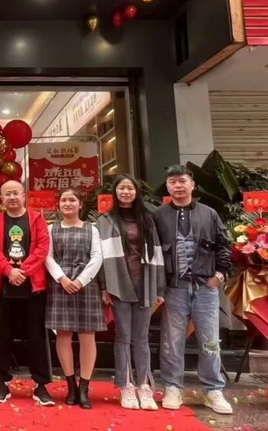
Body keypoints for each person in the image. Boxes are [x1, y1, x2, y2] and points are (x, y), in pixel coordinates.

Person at [153, 165, 233, 415]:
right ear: (167, 187)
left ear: (192, 185)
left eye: (182, 181)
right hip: (174, 287)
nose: (177, 186)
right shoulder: (158, 215)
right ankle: (172, 387)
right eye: (172, 182)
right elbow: (152, 252)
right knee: (172, 340)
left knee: (210, 340)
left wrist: (219, 275)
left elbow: (224, 245)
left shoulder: (209, 213)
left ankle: (213, 390)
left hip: (205, 287)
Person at [97, 175, 166, 410]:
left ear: (136, 192)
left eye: (130, 188)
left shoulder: (147, 219)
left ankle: (145, 385)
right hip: (118, 284)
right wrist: (104, 287)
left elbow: (157, 253)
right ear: (115, 192)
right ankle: (125, 385)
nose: (125, 192)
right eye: (121, 188)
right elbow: (101, 258)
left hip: (144, 283)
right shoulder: (106, 220)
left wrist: (159, 287)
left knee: (141, 337)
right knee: (123, 337)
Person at [0, 180, 54, 406]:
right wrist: (9, 271)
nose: (12, 197)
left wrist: (23, 271)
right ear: (2, 198)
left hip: (33, 288)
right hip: (4, 288)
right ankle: (1, 383)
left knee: (36, 336)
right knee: (2, 336)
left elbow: (43, 247)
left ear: (24, 196)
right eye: (7, 194)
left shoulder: (36, 219)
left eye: (16, 193)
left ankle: (41, 385)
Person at [45, 188, 104, 409]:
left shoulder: (92, 229)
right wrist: (62, 278)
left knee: (87, 335)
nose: (67, 203)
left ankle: (84, 387)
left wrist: (80, 281)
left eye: (72, 200)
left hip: (85, 285)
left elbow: (97, 257)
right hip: (60, 284)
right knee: (63, 335)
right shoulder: (51, 228)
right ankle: (70, 385)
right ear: (58, 204)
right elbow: (48, 257)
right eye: (63, 200)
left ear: (80, 204)